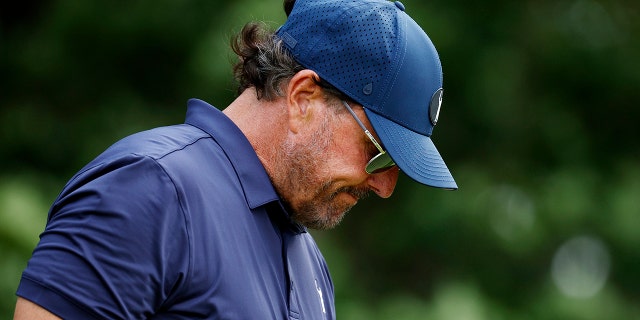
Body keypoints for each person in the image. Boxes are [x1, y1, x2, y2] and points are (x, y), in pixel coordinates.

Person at [14, 0, 457, 318]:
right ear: (303, 98)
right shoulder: (149, 189)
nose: (384, 187)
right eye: (377, 153)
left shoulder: (310, 262)